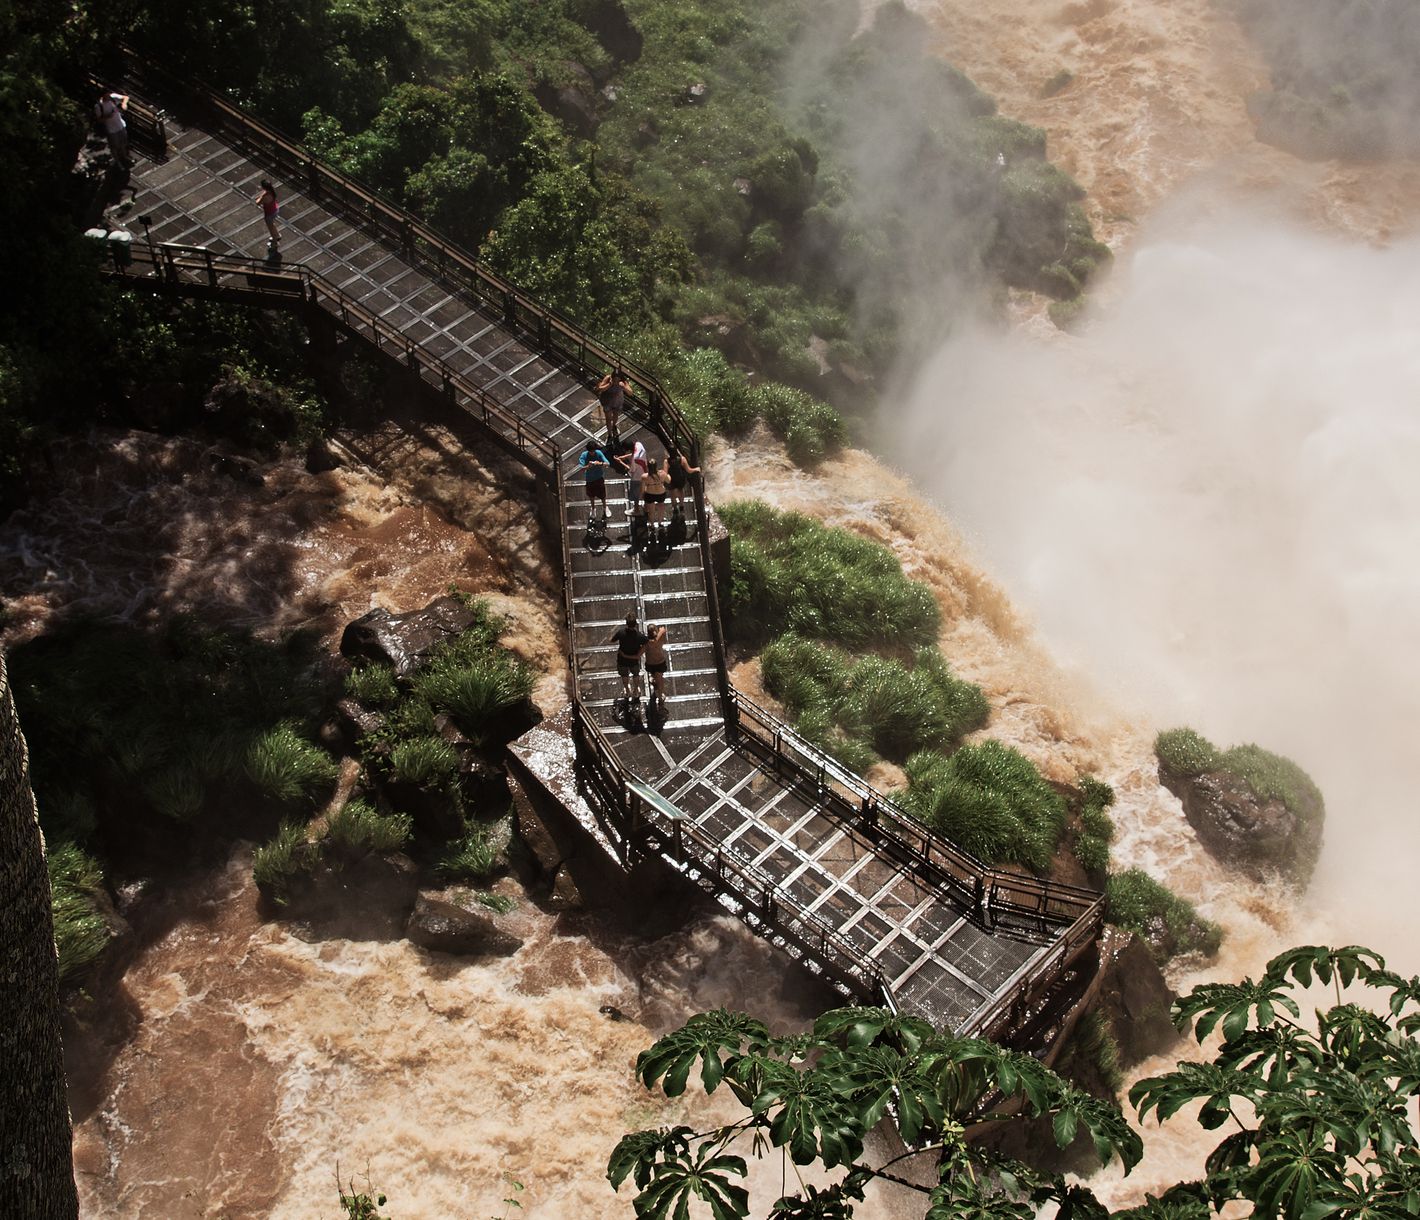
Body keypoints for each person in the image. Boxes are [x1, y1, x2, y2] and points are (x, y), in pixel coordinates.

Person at [609, 613, 648, 704]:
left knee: (624, 675)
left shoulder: (621, 633)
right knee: (635, 674)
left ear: (626, 623)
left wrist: (611, 632)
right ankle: (635, 691)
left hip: (622, 659)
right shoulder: (639, 636)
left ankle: (627, 690)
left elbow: (611, 640)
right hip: (634, 660)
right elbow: (647, 642)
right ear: (635, 624)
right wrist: (640, 653)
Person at [95, 91, 130, 169]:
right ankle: (117, 162)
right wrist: (108, 116)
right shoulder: (99, 106)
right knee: (115, 146)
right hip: (111, 129)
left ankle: (124, 157)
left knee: (123, 143)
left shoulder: (112, 97)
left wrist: (124, 103)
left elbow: (125, 97)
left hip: (120, 125)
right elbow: (99, 119)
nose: (108, 96)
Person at [615, 437, 648, 518]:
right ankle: (646, 508)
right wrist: (624, 457)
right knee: (644, 492)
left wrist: (620, 462)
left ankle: (636, 510)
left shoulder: (634, 459)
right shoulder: (639, 445)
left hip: (637, 477)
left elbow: (631, 470)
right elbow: (633, 453)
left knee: (636, 495)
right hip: (645, 473)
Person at [666, 445, 700, 518]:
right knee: (681, 491)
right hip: (680, 478)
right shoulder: (682, 459)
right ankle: (681, 506)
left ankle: (675, 508)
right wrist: (696, 469)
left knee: (672, 493)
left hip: (671, 479)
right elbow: (689, 470)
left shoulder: (667, 461)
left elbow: (665, 473)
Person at [579, 437, 610, 517]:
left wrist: (599, 463)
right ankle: (593, 508)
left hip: (599, 477)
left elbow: (607, 463)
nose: (592, 453)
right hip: (589, 479)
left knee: (602, 495)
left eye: (593, 451)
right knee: (591, 495)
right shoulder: (584, 455)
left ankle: (605, 507)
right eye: (591, 451)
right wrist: (588, 466)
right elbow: (581, 468)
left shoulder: (598, 453)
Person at [597, 370, 629, 439]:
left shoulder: (623, 382)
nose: (616, 381)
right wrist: (609, 385)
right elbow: (600, 388)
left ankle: (614, 425)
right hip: (607, 401)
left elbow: (630, 392)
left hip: (617, 401)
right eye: (614, 379)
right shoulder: (608, 379)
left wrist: (624, 387)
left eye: (617, 379)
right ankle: (609, 434)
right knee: (608, 419)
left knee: (616, 415)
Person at [643, 623, 669, 709]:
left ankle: (654, 680)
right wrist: (660, 631)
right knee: (660, 679)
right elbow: (663, 631)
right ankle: (660, 697)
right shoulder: (660, 637)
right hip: (659, 662)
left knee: (655, 675)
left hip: (650, 663)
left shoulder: (646, 642)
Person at [641, 457, 669, 535]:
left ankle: (652, 525)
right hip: (660, 493)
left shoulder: (644, 476)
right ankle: (660, 523)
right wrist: (666, 473)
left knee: (651, 511)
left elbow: (642, 489)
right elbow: (669, 480)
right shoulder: (662, 474)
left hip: (650, 493)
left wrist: (643, 496)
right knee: (661, 508)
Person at [256, 179, 280, 250]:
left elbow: (258, 202)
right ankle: (277, 235)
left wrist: (261, 196)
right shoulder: (272, 192)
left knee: (270, 228)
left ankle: (275, 243)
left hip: (269, 214)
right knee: (272, 224)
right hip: (275, 210)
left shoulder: (265, 196)